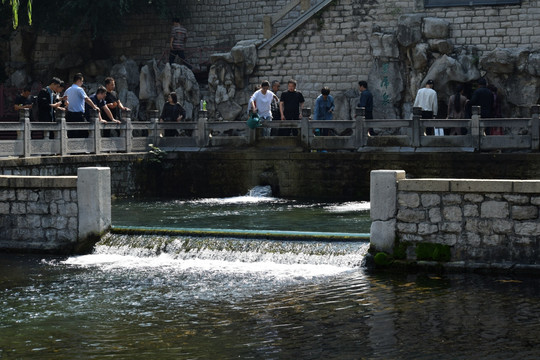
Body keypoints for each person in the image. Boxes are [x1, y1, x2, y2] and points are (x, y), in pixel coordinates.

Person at [64, 73, 100, 138]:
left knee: (71, 134)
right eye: (82, 81)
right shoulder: (79, 89)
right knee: (84, 134)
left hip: (69, 115)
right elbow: (86, 99)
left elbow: (65, 101)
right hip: (78, 115)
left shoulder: (68, 90)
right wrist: (94, 107)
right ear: (79, 80)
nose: (82, 83)